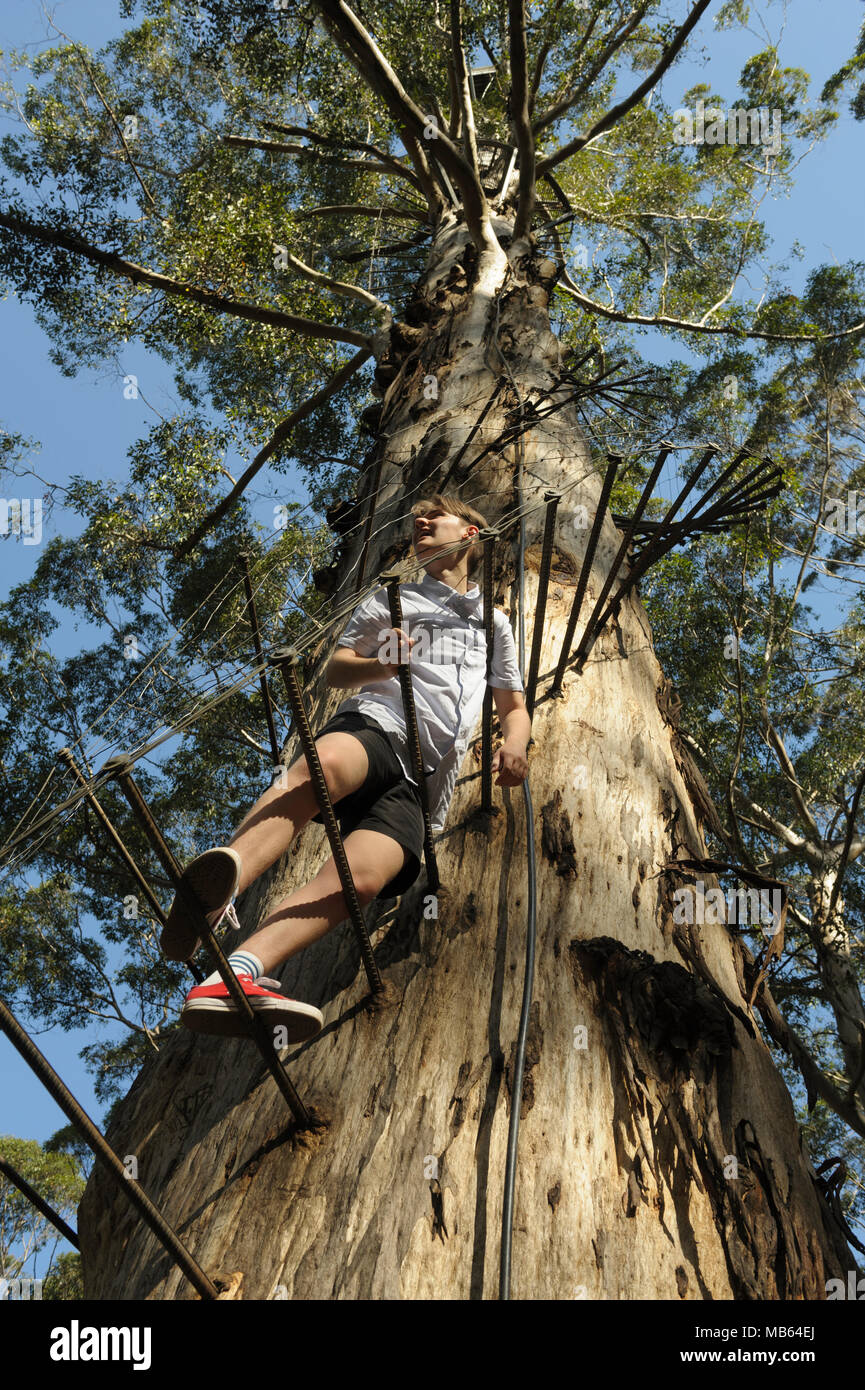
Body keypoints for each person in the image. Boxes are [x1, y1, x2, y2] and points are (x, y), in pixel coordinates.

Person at [167, 492, 531, 1040]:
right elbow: (337, 670)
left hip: (426, 783)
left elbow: (513, 705)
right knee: (326, 766)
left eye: (435, 516)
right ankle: (220, 889)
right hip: (380, 724)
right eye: (415, 520)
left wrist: (516, 745)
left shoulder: (494, 624)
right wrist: (383, 661)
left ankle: (235, 976)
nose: (421, 523)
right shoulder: (393, 598)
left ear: (471, 535)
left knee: (362, 880)